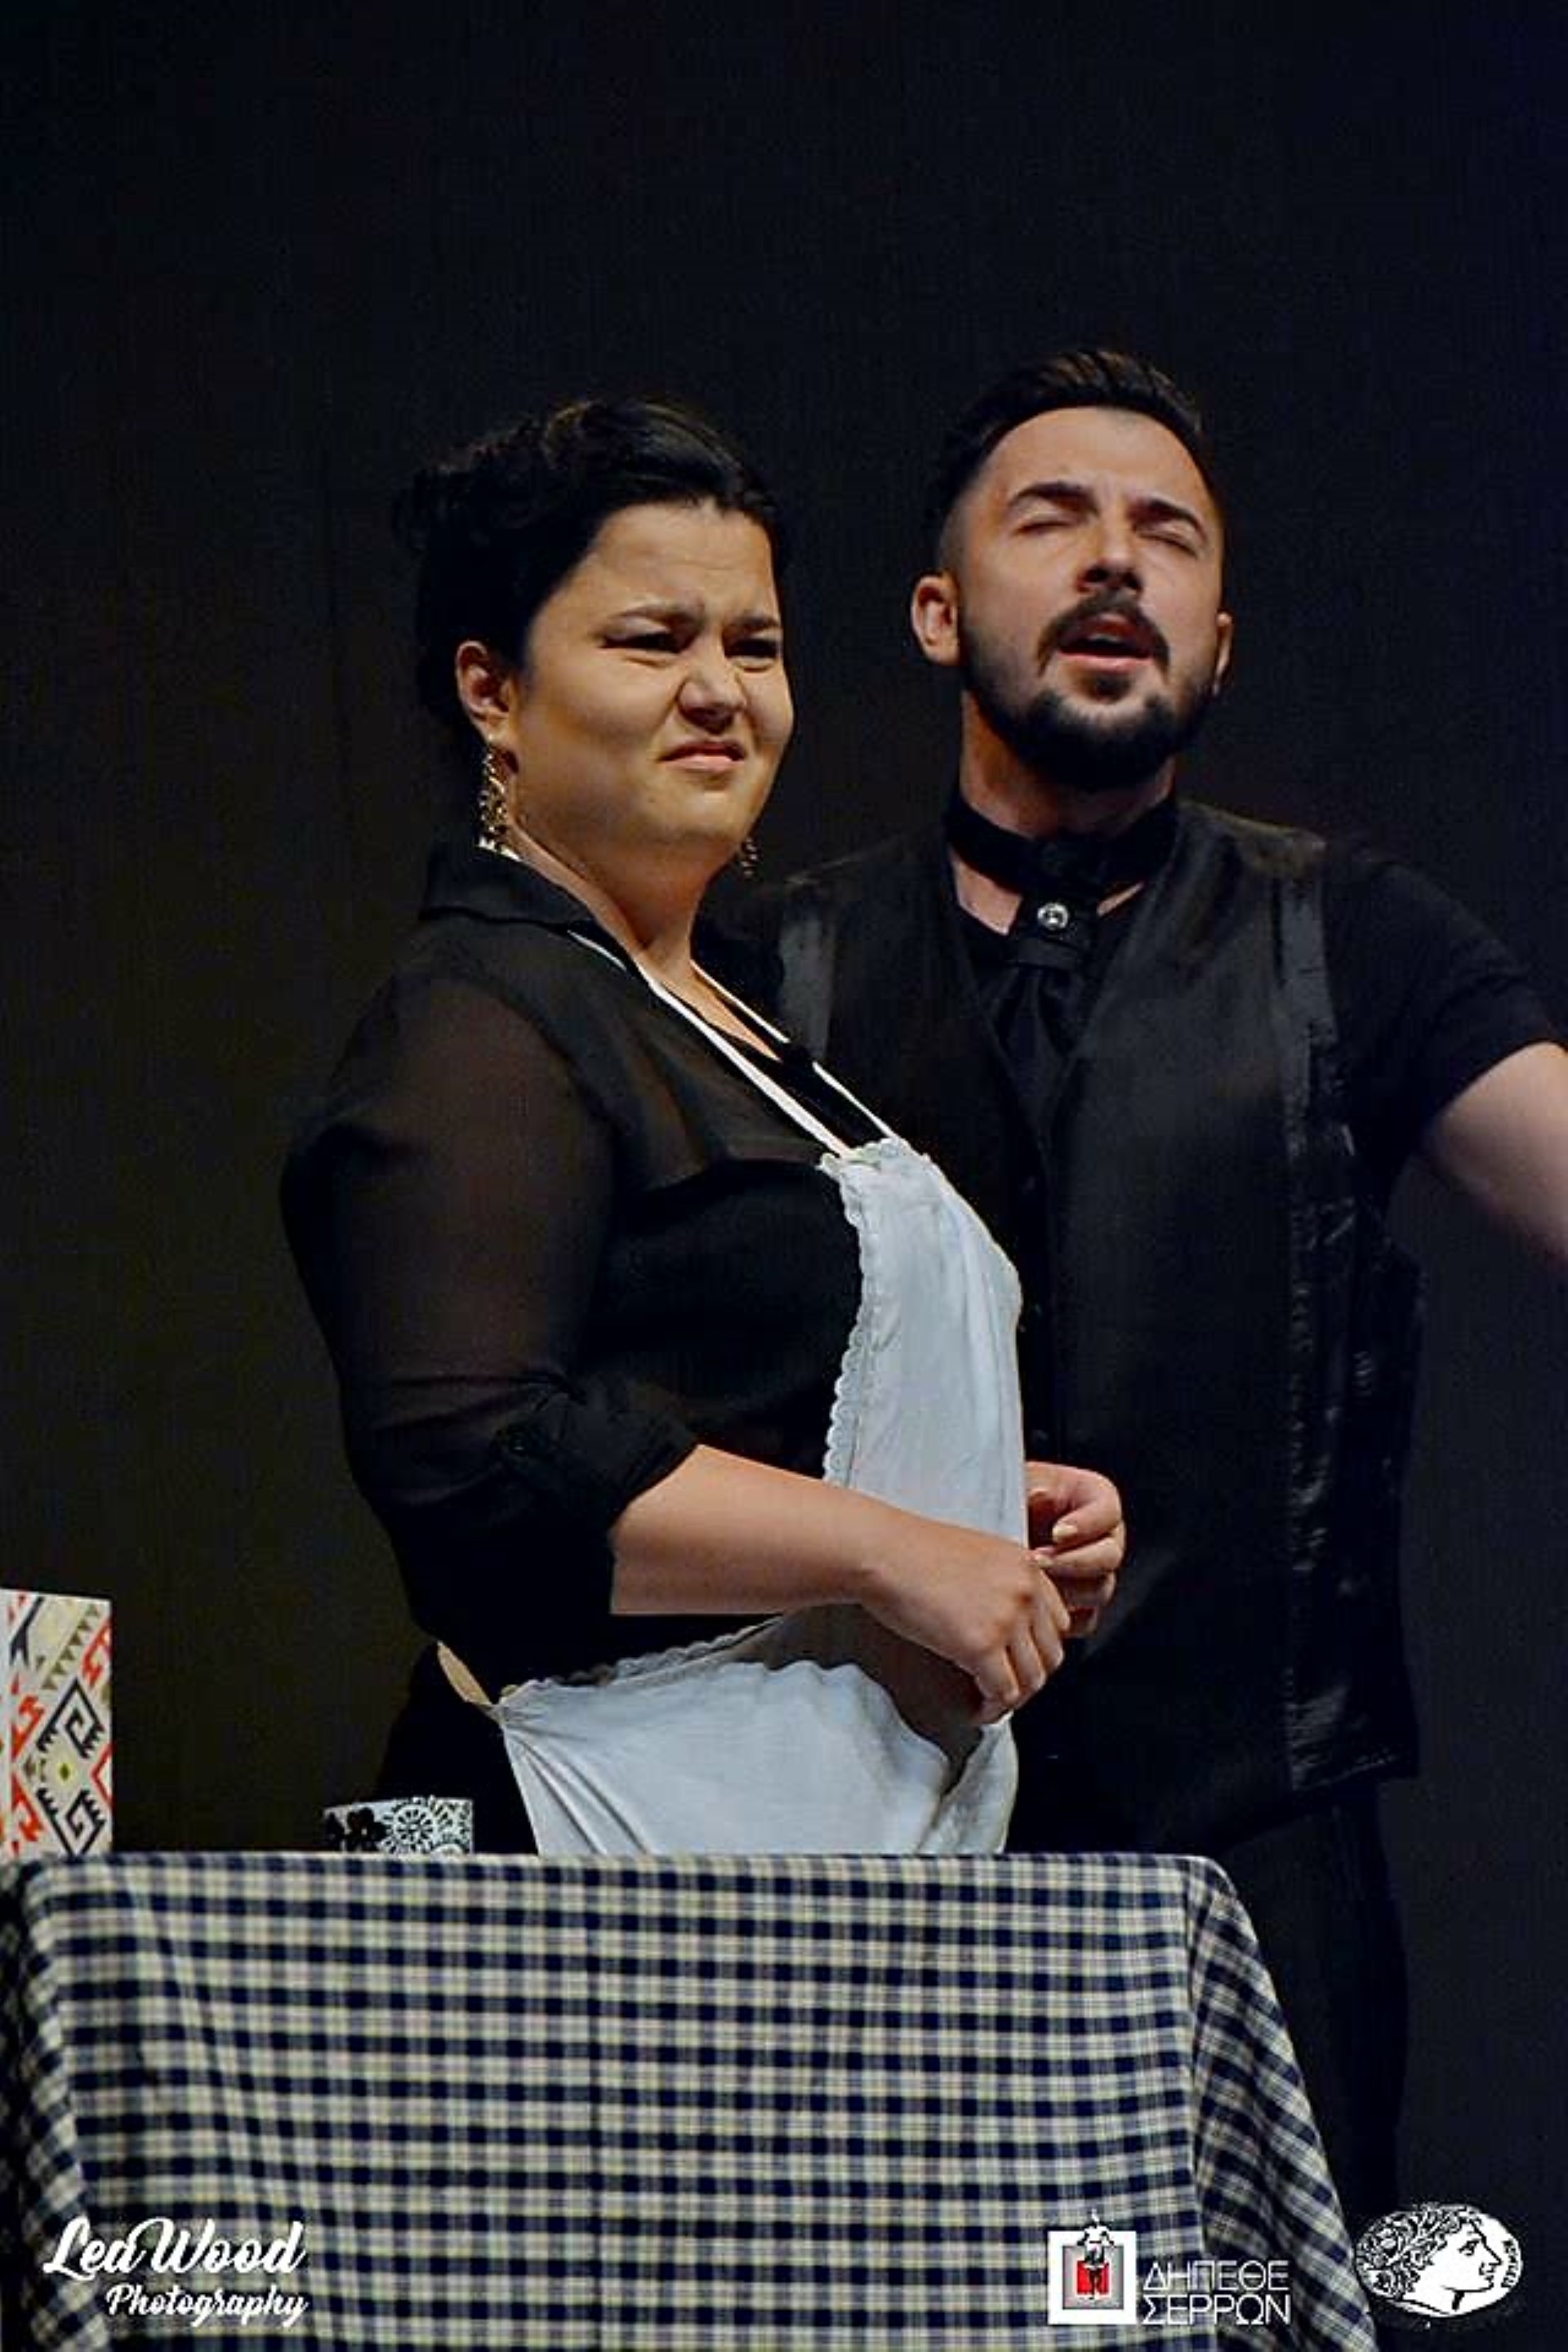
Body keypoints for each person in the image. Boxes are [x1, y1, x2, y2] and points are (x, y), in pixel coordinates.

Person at [712, 349, 1567, 2220]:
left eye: (1166, 534)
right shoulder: (770, 966)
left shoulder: (1350, 937)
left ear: (1221, 638)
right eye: (1055, 520)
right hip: (861, 1871)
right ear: (938, 611)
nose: (1117, 560)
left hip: (1251, 1878)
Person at [281, 397, 1123, 1858]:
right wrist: (889, 1549)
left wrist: (983, 1510)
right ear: (492, 689)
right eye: (651, 640)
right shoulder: (480, 1014)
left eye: (755, 645)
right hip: (580, 1842)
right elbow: (474, 1457)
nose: (720, 690)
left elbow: (720, 1393)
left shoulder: (727, 1017)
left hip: (816, 1858)